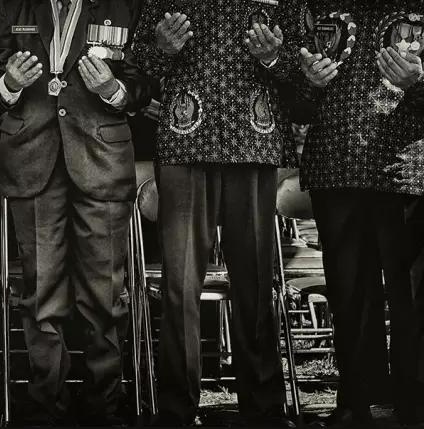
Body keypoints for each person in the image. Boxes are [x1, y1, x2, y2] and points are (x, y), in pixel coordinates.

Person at [132, 1, 305, 426]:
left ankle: (263, 409)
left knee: (256, 283)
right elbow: (139, 64)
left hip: (254, 140)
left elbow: (302, 76)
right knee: (179, 285)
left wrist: (274, 57)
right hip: (185, 142)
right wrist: (162, 49)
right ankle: (176, 410)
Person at [0, 0, 151, 424]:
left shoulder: (122, 5)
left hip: (101, 160)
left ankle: (104, 406)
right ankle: (46, 405)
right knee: (41, 293)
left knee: (104, 294)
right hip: (32, 160)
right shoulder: (15, 5)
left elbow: (144, 81)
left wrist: (112, 89)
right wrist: (9, 83)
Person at [298, 2, 424, 427]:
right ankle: (357, 400)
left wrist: (419, 82)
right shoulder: (318, 7)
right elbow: (293, 102)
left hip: (408, 167)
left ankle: (415, 402)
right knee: (349, 294)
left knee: (412, 296)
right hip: (338, 164)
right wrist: (308, 81)